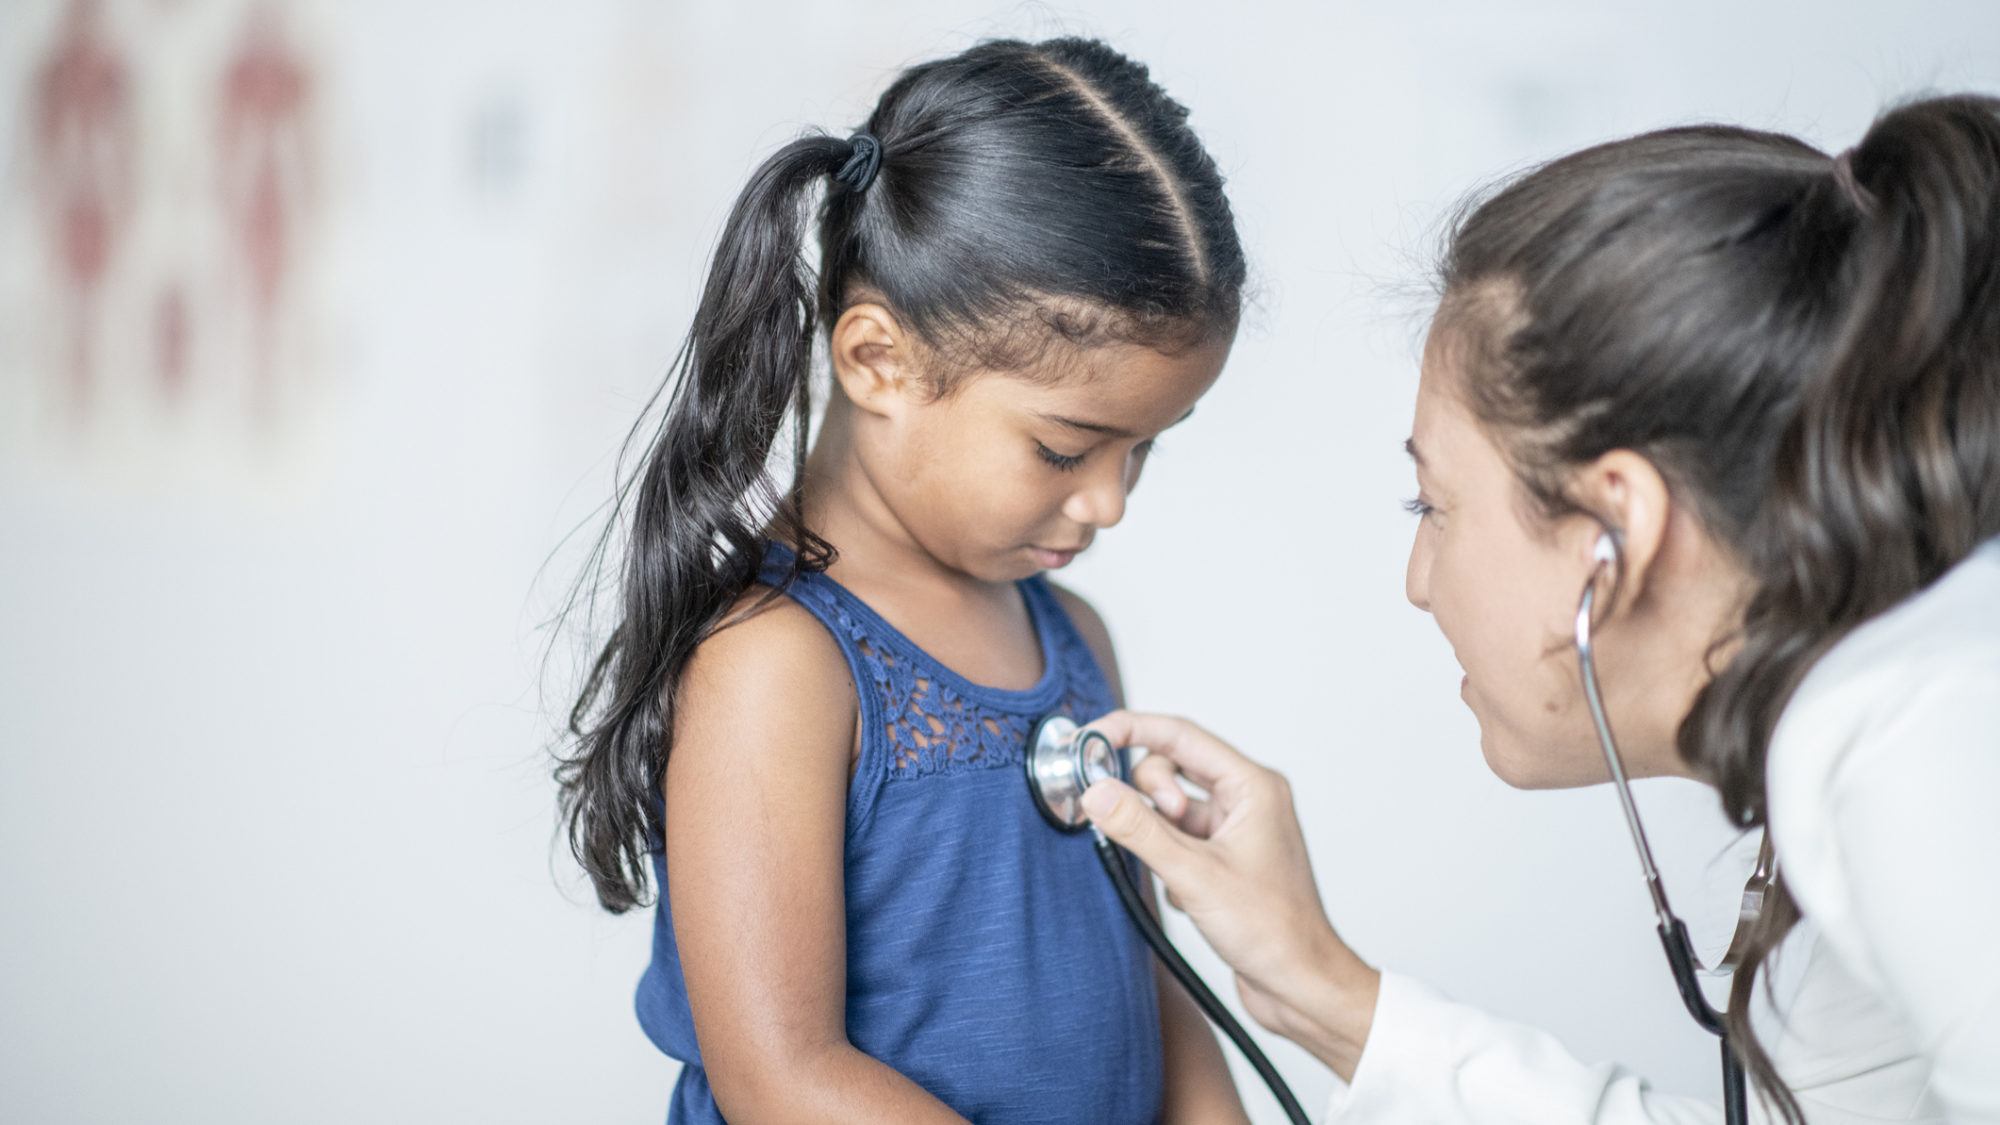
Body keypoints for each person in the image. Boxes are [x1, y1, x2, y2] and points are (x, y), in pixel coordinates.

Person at [1081, 94, 2000, 1123]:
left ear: (1615, 530)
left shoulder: (1921, 741)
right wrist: (1320, 990)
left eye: (1431, 504)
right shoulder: (1888, 745)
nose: (1416, 581)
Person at [553, 37, 1252, 1123]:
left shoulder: (1071, 636)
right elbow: (783, 1078)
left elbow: (1153, 977)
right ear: (878, 361)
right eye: (1067, 450)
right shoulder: (774, 664)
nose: (1112, 502)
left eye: (1145, 449)